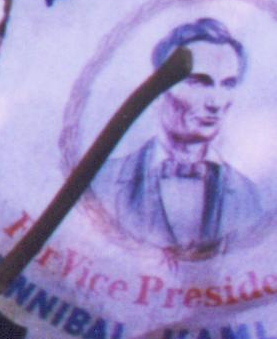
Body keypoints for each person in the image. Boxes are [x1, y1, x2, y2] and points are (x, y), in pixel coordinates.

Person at [98, 19, 270, 256]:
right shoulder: (102, 182)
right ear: (159, 86)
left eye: (228, 84)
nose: (216, 103)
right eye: (199, 82)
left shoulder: (249, 197)